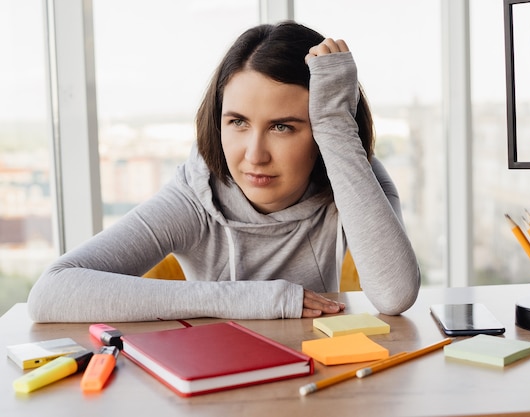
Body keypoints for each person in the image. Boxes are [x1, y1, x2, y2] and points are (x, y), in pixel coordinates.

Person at [27, 21, 420, 322]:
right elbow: (52, 291)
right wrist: (254, 298)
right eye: (237, 122)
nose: (254, 155)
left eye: (283, 126)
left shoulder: (350, 173)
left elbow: (395, 294)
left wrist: (336, 126)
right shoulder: (197, 196)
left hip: (316, 379)